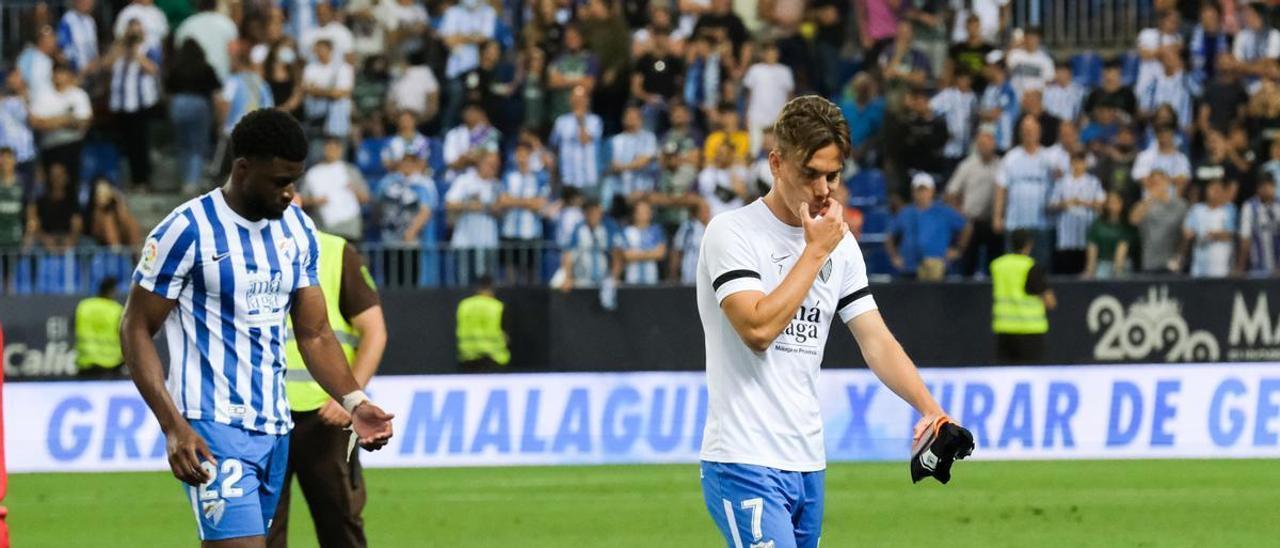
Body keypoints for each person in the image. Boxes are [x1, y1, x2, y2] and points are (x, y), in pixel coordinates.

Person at [119, 109, 393, 546]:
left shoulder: (298, 229)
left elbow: (316, 333)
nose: (289, 193)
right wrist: (173, 425)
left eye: (295, 181)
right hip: (212, 427)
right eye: (280, 181)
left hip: (275, 427)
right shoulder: (187, 230)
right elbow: (134, 328)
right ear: (243, 169)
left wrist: (354, 400)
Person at [696, 96, 958, 547]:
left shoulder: (840, 243)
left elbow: (874, 337)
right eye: (809, 174)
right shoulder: (732, 233)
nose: (822, 190)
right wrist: (815, 251)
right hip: (743, 459)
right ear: (777, 164)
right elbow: (757, 330)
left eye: (832, 176)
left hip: (808, 462)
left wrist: (930, 408)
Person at [267, 227, 386, 548]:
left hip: (324, 416)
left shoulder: (334, 250)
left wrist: (349, 398)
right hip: (260, 416)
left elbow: (374, 332)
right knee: (261, 531)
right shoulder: (241, 248)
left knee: (340, 524)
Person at [993, 115, 1056, 266]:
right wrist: (997, 216)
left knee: (1039, 267)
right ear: (1020, 133)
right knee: (1014, 266)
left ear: (1039, 132)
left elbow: (1058, 186)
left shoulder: (1049, 158)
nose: (1029, 134)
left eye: (1032, 130)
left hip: (1041, 223)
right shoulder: (1011, 157)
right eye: (1025, 130)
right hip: (1015, 223)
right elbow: (1001, 188)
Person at [885, 173, 970, 280]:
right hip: (909, 268)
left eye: (925, 190)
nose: (922, 194)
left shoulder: (944, 212)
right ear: (913, 192)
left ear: (932, 191)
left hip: (937, 267)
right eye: (918, 190)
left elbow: (966, 227)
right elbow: (890, 236)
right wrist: (894, 257)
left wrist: (958, 250)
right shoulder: (905, 212)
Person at [990, 228, 1055, 364]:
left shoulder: (997, 265)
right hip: (1030, 330)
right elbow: (1049, 301)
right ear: (1028, 245)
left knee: (1006, 375)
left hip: (1004, 329)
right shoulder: (1031, 267)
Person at [166, 40, 222, 194]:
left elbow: (168, 91)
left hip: (178, 104)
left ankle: (185, 179)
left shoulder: (176, 68)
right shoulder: (205, 68)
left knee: (183, 145)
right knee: (197, 145)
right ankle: (193, 181)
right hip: (199, 104)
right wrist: (218, 118)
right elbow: (216, 92)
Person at [947, 128, 1003, 276]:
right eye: (982, 143)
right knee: (968, 265)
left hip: (993, 222)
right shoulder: (967, 166)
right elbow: (951, 193)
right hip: (971, 222)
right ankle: (966, 297)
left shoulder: (1002, 165)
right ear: (977, 145)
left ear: (994, 144)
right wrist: (960, 214)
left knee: (995, 265)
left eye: (988, 142)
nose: (985, 146)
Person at [1048, 152, 1105, 275]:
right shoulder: (1062, 182)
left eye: (1080, 162)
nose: (1078, 165)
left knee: (1083, 266)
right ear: (1070, 163)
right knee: (1066, 267)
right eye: (1075, 162)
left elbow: (1101, 203)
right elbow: (1052, 205)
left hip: (1086, 229)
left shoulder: (1093, 182)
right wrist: (1066, 203)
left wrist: (1084, 202)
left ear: (1085, 164)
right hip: (1066, 232)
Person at [302, 137, 369, 241]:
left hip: (350, 228)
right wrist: (314, 201)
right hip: (324, 229)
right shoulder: (313, 173)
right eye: (329, 148)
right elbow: (302, 200)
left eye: (335, 149)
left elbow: (365, 198)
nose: (332, 152)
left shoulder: (351, 171)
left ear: (341, 150)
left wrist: (354, 191)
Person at [1129, 169, 1189, 274]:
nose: (1157, 185)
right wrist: (1150, 198)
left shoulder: (1181, 205)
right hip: (1149, 262)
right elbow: (1133, 220)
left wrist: (1179, 257)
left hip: (1172, 262)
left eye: (1160, 181)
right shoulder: (1145, 205)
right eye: (1153, 183)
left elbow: (1186, 235)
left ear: (1167, 182)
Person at [1181, 178, 1237, 278]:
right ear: (1207, 191)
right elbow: (1187, 231)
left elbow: (1230, 234)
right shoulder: (1197, 209)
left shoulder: (1229, 209)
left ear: (1223, 192)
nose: (1214, 193)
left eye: (1218, 190)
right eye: (1212, 189)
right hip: (1199, 264)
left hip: (1221, 265)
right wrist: (1188, 233)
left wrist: (1213, 235)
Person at [455, 275, 510, 371]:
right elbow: (505, 335)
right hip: (493, 358)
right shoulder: (497, 306)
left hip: (467, 359)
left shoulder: (464, 305)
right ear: (492, 288)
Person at [75, 277, 125, 379]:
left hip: (87, 363)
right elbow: (124, 335)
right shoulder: (117, 309)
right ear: (111, 291)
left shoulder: (84, 306)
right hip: (112, 364)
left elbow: (74, 327)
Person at [1084, 192, 1135, 279]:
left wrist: (1118, 270)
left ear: (1122, 204)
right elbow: (1092, 247)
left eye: (1116, 202)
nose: (1113, 206)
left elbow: (1123, 247)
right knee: (1100, 275)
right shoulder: (1097, 224)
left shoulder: (1127, 225)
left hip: (1122, 263)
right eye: (1110, 203)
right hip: (1103, 263)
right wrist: (1090, 270)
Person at [1238, 174, 1280, 275]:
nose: (1267, 189)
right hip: (1257, 268)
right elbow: (1245, 239)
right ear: (1258, 188)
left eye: (1270, 185)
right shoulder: (1249, 207)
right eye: (1263, 186)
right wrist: (1240, 267)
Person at [618, 200, 667, 285]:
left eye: (646, 211)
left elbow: (661, 253)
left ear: (651, 213)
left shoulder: (656, 230)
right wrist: (651, 253)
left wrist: (636, 253)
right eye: (640, 211)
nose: (643, 214)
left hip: (652, 279)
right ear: (634, 213)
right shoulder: (627, 231)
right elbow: (626, 255)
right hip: (632, 279)